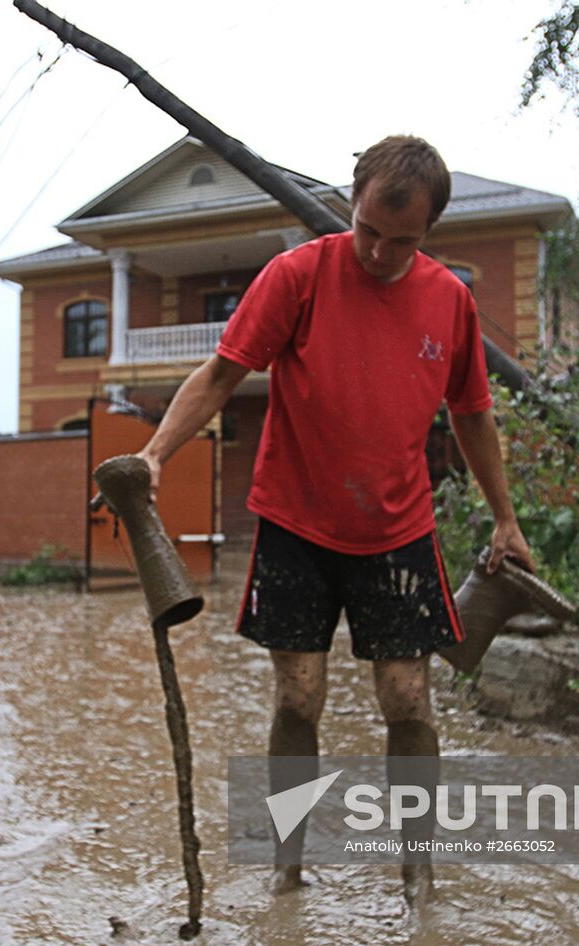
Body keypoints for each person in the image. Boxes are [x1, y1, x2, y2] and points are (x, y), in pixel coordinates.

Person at [135, 135, 535, 901]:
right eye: (369, 233)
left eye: (403, 242)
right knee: (298, 696)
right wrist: (156, 454)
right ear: (351, 202)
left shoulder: (449, 299)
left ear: (429, 235)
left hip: (399, 530)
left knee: (407, 698)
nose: (381, 254)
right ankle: (289, 865)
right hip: (296, 524)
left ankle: (417, 872)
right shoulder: (298, 275)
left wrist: (505, 520)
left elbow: (475, 416)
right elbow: (223, 373)